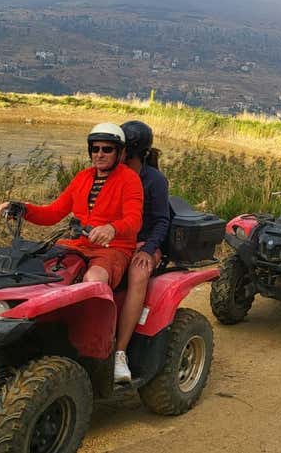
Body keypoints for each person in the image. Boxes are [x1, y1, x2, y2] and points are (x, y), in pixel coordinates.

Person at [0, 123, 143, 288]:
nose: (99, 154)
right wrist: (21, 208)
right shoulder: (82, 177)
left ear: (119, 152)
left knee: (94, 280)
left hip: (112, 249)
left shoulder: (129, 179)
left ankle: (91, 314)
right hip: (76, 245)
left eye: (107, 149)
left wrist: (112, 228)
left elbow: (134, 220)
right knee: (35, 272)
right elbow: (53, 213)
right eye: (95, 149)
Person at [114, 120, 170, 383]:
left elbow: (161, 220)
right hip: (115, 241)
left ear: (131, 152)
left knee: (138, 274)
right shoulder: (111, 175)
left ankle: (120, 352)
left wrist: (148, 249)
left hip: (145, 243)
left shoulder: (155, 180)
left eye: (119, 149)